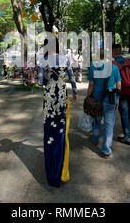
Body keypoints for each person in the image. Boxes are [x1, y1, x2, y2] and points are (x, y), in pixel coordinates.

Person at [38, 37, 78, 188]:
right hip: (62, 95)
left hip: (49, 97)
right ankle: (61, 171)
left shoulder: (43, 61)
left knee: (49, 133)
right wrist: (75, 92)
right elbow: (72, 78)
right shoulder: (65, 59)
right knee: (61, 133)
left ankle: (51, 175)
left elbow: (40, 82)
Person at [87, 52, 122, 158]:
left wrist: (88, 97)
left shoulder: (93, 67)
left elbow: (91, 85)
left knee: (96, 120)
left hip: (97, 100)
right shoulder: (114, 68)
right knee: (109, 125)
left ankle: (95, 139)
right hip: (111, 99)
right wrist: (118, 99)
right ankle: (106, 150)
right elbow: (119, 85)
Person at [112, 43, 130, 145]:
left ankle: (128, 137)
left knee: (124, 112)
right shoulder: (129, 61)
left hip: (124, 91)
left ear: (113, 52)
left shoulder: (114, 65)